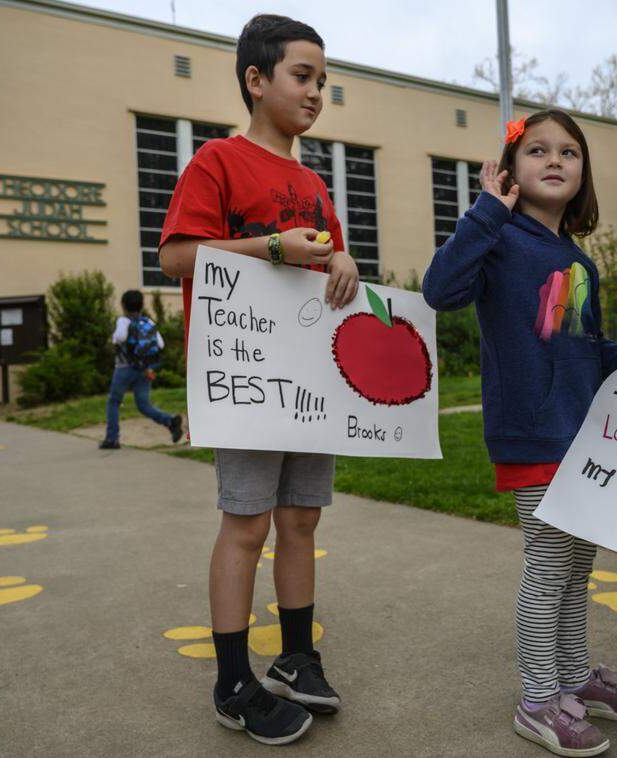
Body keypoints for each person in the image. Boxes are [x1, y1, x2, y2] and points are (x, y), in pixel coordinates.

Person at [423, 110, 617, 757]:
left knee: (579, 567)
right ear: (511, 170)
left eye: (569, 152)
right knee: (549, 567)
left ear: (583, 175)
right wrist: (484, 213)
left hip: (582, 441)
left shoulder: (579, 263)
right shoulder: (496, 239)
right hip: (530, 436)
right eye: (538, 151)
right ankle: (539, 698)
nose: (555, 160)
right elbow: (441, 290)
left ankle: (577, 676)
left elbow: (580, 342)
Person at [157, 13, 359, 746]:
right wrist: (272, 246)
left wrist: (343, 260)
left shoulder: (312, 179)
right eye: (303, 76)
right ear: (256, 79)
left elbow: (328, 260)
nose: (315, 93)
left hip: (308, 383)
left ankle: (297, 659)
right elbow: (177, 258)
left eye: (322, 81)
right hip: (242, 379)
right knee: (245, 525)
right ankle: (233, 681)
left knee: (301, 520)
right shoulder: (217, 160)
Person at [99, 289, 184, 450]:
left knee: (114, 402)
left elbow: (119, 338)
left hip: (124, 368)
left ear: (123, 305)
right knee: (144, 405)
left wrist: (116, 340)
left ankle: (112, 439)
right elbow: (160, 344)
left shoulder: (123, 321)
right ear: (141, 306)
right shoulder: (149, 322)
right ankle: (170, 421)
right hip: (144, 369)